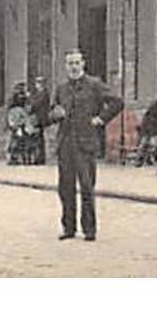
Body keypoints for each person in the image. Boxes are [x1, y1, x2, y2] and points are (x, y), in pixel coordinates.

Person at [45, 49, 124, 241]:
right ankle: (68, 228)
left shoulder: (94, 85)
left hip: (86, 142)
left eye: (76, 63)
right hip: (65, 143)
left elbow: (117, 102)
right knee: (65, 188)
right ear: (65, 66)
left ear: (83, 64)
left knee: (87, 187)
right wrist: (56, 114)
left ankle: (89, 229)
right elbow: (50, 113)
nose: (73, 67)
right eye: (70, 63)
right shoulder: (61, 88)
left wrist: (100, 119)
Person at [28, 76, 51, 165]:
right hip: (38, 118)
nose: (37, 85)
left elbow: (36, 104)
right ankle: (38, 158)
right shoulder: (39, 93)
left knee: (38, 139)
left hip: (40, 119)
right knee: (38, 138)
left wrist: (30, 99)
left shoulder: (44, 93)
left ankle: (40, 158)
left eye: (38, 83)